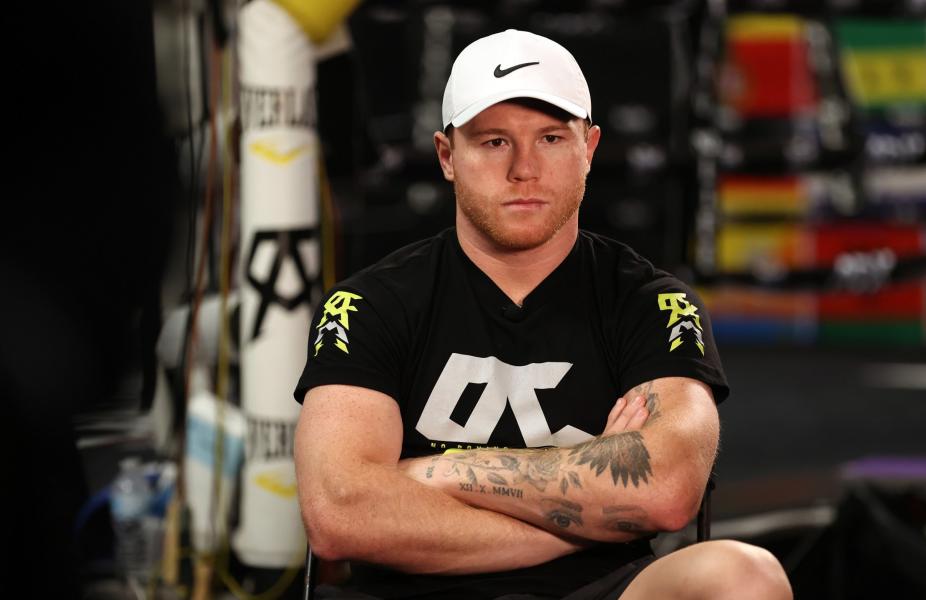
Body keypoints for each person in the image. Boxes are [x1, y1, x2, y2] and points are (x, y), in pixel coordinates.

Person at [293, 29, 792, 599]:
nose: (524, 169)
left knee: (745, 576)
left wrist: (433, 472)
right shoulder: (369, 304)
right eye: (494, 142)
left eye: (552, 138)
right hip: (414, 592)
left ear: (590, 149)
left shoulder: (650, 302)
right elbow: (340, 512)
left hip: (599, 591)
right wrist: (586, 516)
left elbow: (667, 490)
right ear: (447, 155)